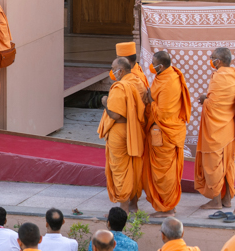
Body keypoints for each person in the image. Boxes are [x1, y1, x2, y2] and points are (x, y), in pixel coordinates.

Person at [138, 51, 189, 216]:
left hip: (166, 131)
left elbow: (164, 114)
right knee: (166, 171)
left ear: (160, 66)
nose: (151, 66)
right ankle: (168, 205)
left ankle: (167, 208)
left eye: (154, 64)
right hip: (165, 130)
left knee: (164, 173)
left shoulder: (169, 81)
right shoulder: (166, 76)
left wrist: (150, 100)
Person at [100, 56, 148, 212]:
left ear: (120, 71)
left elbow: (115, 114)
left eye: (113, 69)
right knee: (133, 167)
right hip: (135, 131)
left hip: (120, 131)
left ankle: (124, 208)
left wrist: (105, 103)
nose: (112, 72)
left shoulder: (120, 87)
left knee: (120, 169)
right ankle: (134, 205)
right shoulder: (139, 82)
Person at [196, 47, 235, 210]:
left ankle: (216, 201)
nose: (211, 61)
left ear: (218, 61)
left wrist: (203, 99)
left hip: (215, 131)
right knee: (227, 164)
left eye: (212, 58)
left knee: (213, 165)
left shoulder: (219, 76)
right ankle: (227, 200)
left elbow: (212, 105)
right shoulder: (233, 75)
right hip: (229, 128)